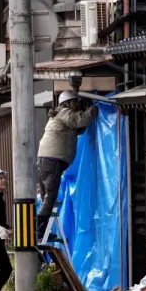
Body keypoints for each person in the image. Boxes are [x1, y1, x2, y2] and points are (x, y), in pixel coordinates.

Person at [35, 90, 97, 242]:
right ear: (66, 103)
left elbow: (78, 128)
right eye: (74, 102)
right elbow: (79, 121)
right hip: (53, 159)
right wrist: (92, 110)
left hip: (47, 159)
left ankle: (40, 230)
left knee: (47, 197)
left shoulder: (60, 116)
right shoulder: (64, 113)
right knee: (50, 197)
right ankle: (39, 231)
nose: (76, 105)